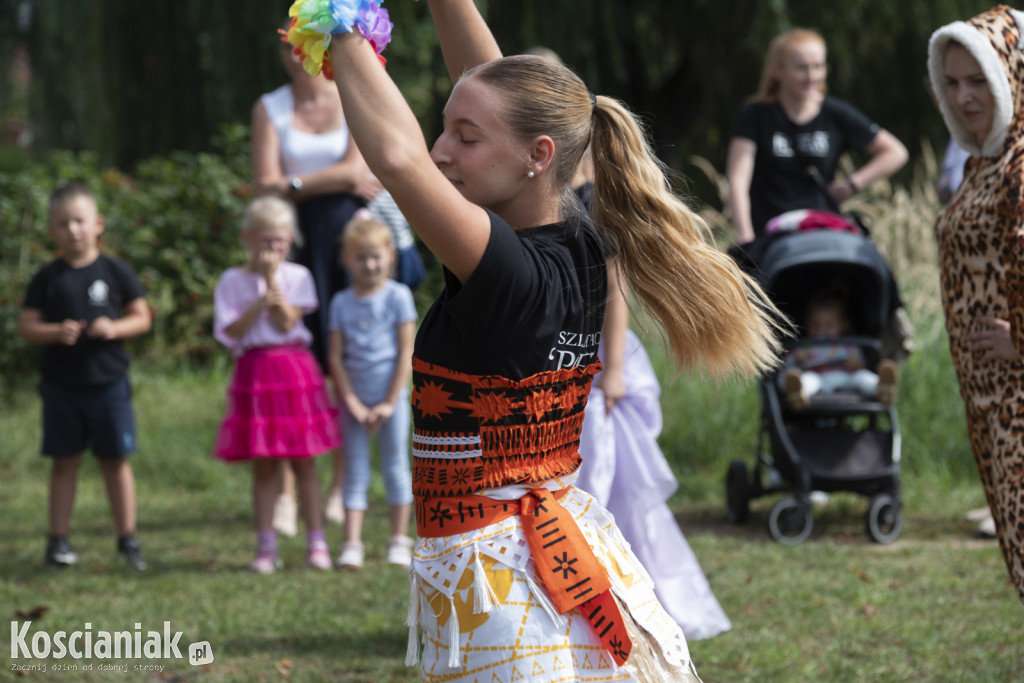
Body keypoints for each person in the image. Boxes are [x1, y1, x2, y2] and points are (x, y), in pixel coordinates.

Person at [286, 0, 783, 678]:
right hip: (546, 545)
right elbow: (494, 86)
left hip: (495, 576)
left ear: (537, 156)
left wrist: (334, 18)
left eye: (465, 137)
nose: (442, 150)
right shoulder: (576, 232)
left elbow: (400, 162)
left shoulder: (507, 272)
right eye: (445, 129)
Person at [252, 22, 383, 537]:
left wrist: (293, 183)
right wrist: (322, 181)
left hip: (346, 243)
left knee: (343, 356)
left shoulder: (350, 94)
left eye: (302, 43)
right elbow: (263, 186)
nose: (295, 53)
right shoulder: (271, 107)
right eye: (286, 44)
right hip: (292, 240)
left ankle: (338, 487)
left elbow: (362, 168)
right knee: (293, 360)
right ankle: (285, 489)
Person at [576, 267, 733, 641]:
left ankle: (631, 595)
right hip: (560, 361)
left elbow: (615, 286)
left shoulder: (593, 216)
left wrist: (613, 369)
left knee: (611, 489)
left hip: (599, 370)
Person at [928, 5, 1024, 606]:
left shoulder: (1019, 164)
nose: (964, 96)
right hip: (994, 399)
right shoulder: (986, 159)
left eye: (978, 80)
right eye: (953, 81)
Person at [17, 181, 152, 571]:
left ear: (97, 224)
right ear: (51, 231)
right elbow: (27, 326)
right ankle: (57, 542)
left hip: (108, 386)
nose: (72, 229)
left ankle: (128, 540)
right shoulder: (47, 277)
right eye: (62, 223)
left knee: (115, 461)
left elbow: (142, 317)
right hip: (61, 388)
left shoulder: (114, 270)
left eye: (79, 220)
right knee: (64, 462)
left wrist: (114, 328)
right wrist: (56, 332)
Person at [211, 195, 341, 574]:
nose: (273, 249)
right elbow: (230, 331)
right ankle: (266, 545)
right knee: (265, 465)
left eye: (280, 242)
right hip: (255, 372)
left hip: (294, 372)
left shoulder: (297, 277)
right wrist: (258, 300)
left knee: (305, 461)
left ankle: (316, 542)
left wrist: (271, 283)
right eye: (266, 241)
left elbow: (286, 323)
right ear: (248, 238)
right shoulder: (232, 281)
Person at [726, 27, 909, 245]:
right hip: (771, 235)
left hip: (823, 231)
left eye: (818, 67)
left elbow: (896, 152)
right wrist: (746, 238)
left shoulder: (835, 113)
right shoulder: (754, 115)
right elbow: (738, 180)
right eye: (802, 68)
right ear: (778, 70)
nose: (811, 76)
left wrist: (852, 184)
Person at [327, 210, 416, 570]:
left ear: (390, 257)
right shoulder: (340, 303)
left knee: (396, 466)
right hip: (354, 404)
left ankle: (399, 539)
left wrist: (388, 402)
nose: (369, 264)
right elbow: (336, 358)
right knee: (355, 470)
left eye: (375, 256)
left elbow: (405, 354)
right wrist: (352, 402)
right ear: (348, 259)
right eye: (360, 257)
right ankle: (352, 543)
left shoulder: (398, 297)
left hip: (391, 401)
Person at [779, 290, 899, 411]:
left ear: (843, 325)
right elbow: (788, 364)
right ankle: (798, 393)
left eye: (829, 325)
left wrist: (856, 365)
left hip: (845, 376)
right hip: (817, 376)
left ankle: (881, 388)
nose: (822, 330)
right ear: (807, 323)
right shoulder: (805, 347)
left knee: (862, 377)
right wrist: (799, 363)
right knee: (807, 380)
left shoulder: (848, 346)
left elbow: (861, 365)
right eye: (816, 325)